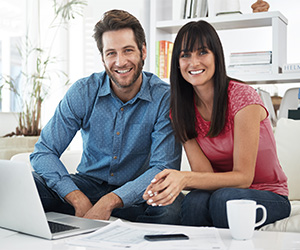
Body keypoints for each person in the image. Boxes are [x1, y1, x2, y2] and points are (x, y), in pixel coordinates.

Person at [30, 9, 183, 224]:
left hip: (139, 192)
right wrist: (76, 197)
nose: (120, 62)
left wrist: (111, 201)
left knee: (170, 208)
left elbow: (162, 168)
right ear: (102, 58)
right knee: (29, 185)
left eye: (128, 50)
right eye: (111, 53)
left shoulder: (164, 98)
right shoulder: (83, 91)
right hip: (87, 185)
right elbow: (44, 151)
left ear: (143, 51)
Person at [143, 20, 291, 228]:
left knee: (225, 199)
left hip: (268, 194)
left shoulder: (242, 98)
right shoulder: (180, 110)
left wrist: (184, 178)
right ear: (177, 63)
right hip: (221, 192)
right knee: (194, 201)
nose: (193, 63)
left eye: (202, 52)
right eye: (185, 55)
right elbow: (206, 176)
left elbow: (244, 178)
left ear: (216, 57)